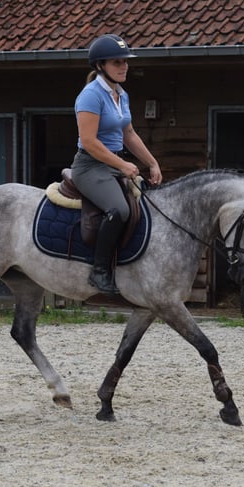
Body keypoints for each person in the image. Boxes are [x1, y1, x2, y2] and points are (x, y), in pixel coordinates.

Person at [70, 33, 163, 296]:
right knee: (119, 210)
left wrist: (152, 162)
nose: (124, 66)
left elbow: (129, 133)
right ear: (100, 66)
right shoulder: (91, 95)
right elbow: (88, 141)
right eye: (116, 62)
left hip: (113, 162)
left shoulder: (121, 95)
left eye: (125, 61)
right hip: (90, 166)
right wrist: (122, 165)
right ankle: (99, 271)